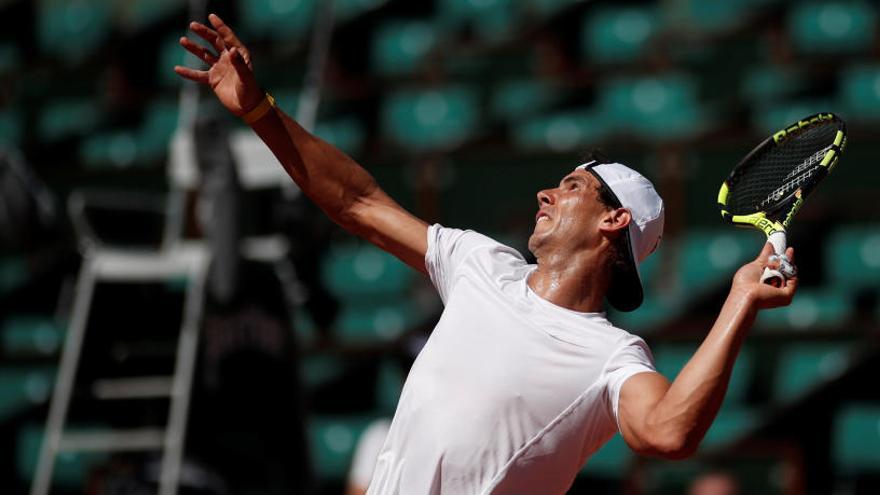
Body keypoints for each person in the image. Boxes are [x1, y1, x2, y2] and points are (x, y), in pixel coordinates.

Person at [175, 14, 798, 494]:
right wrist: (259, 110)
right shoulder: (480, 263)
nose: (546, 192)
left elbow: (666, 433)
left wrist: (740, 299)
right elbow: (358, 202)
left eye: (572, 185)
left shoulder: (612, 356)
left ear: (614, 219)